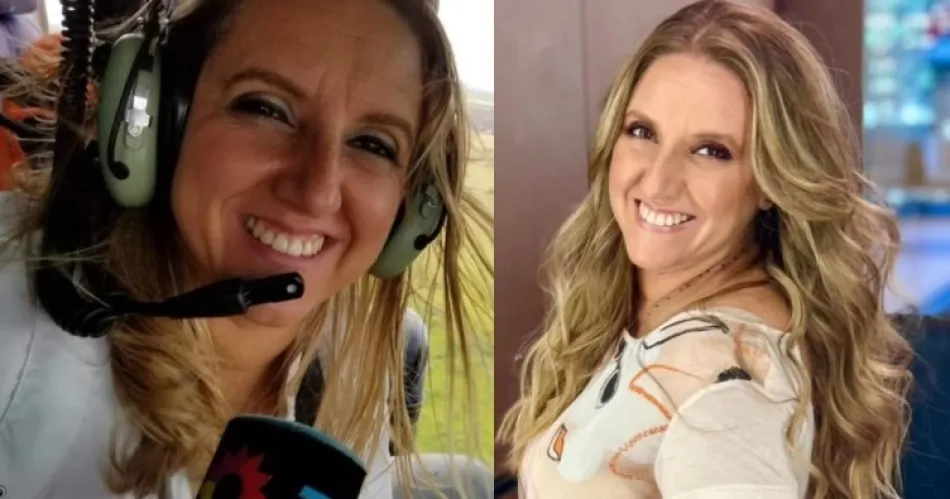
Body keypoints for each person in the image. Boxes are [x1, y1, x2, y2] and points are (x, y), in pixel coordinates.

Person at [0, 0, 492, 498]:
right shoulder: (18, 322)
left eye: (373, 144)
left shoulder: (349, 358)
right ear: (155, 120)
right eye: (265, 109)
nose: (318, 191)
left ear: (416, 208)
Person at [498, 1, 912, 498]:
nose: (658, 180)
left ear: (771, 182)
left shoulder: (726, 386)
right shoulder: (646, 308)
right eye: (642, 131)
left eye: (711, 151)